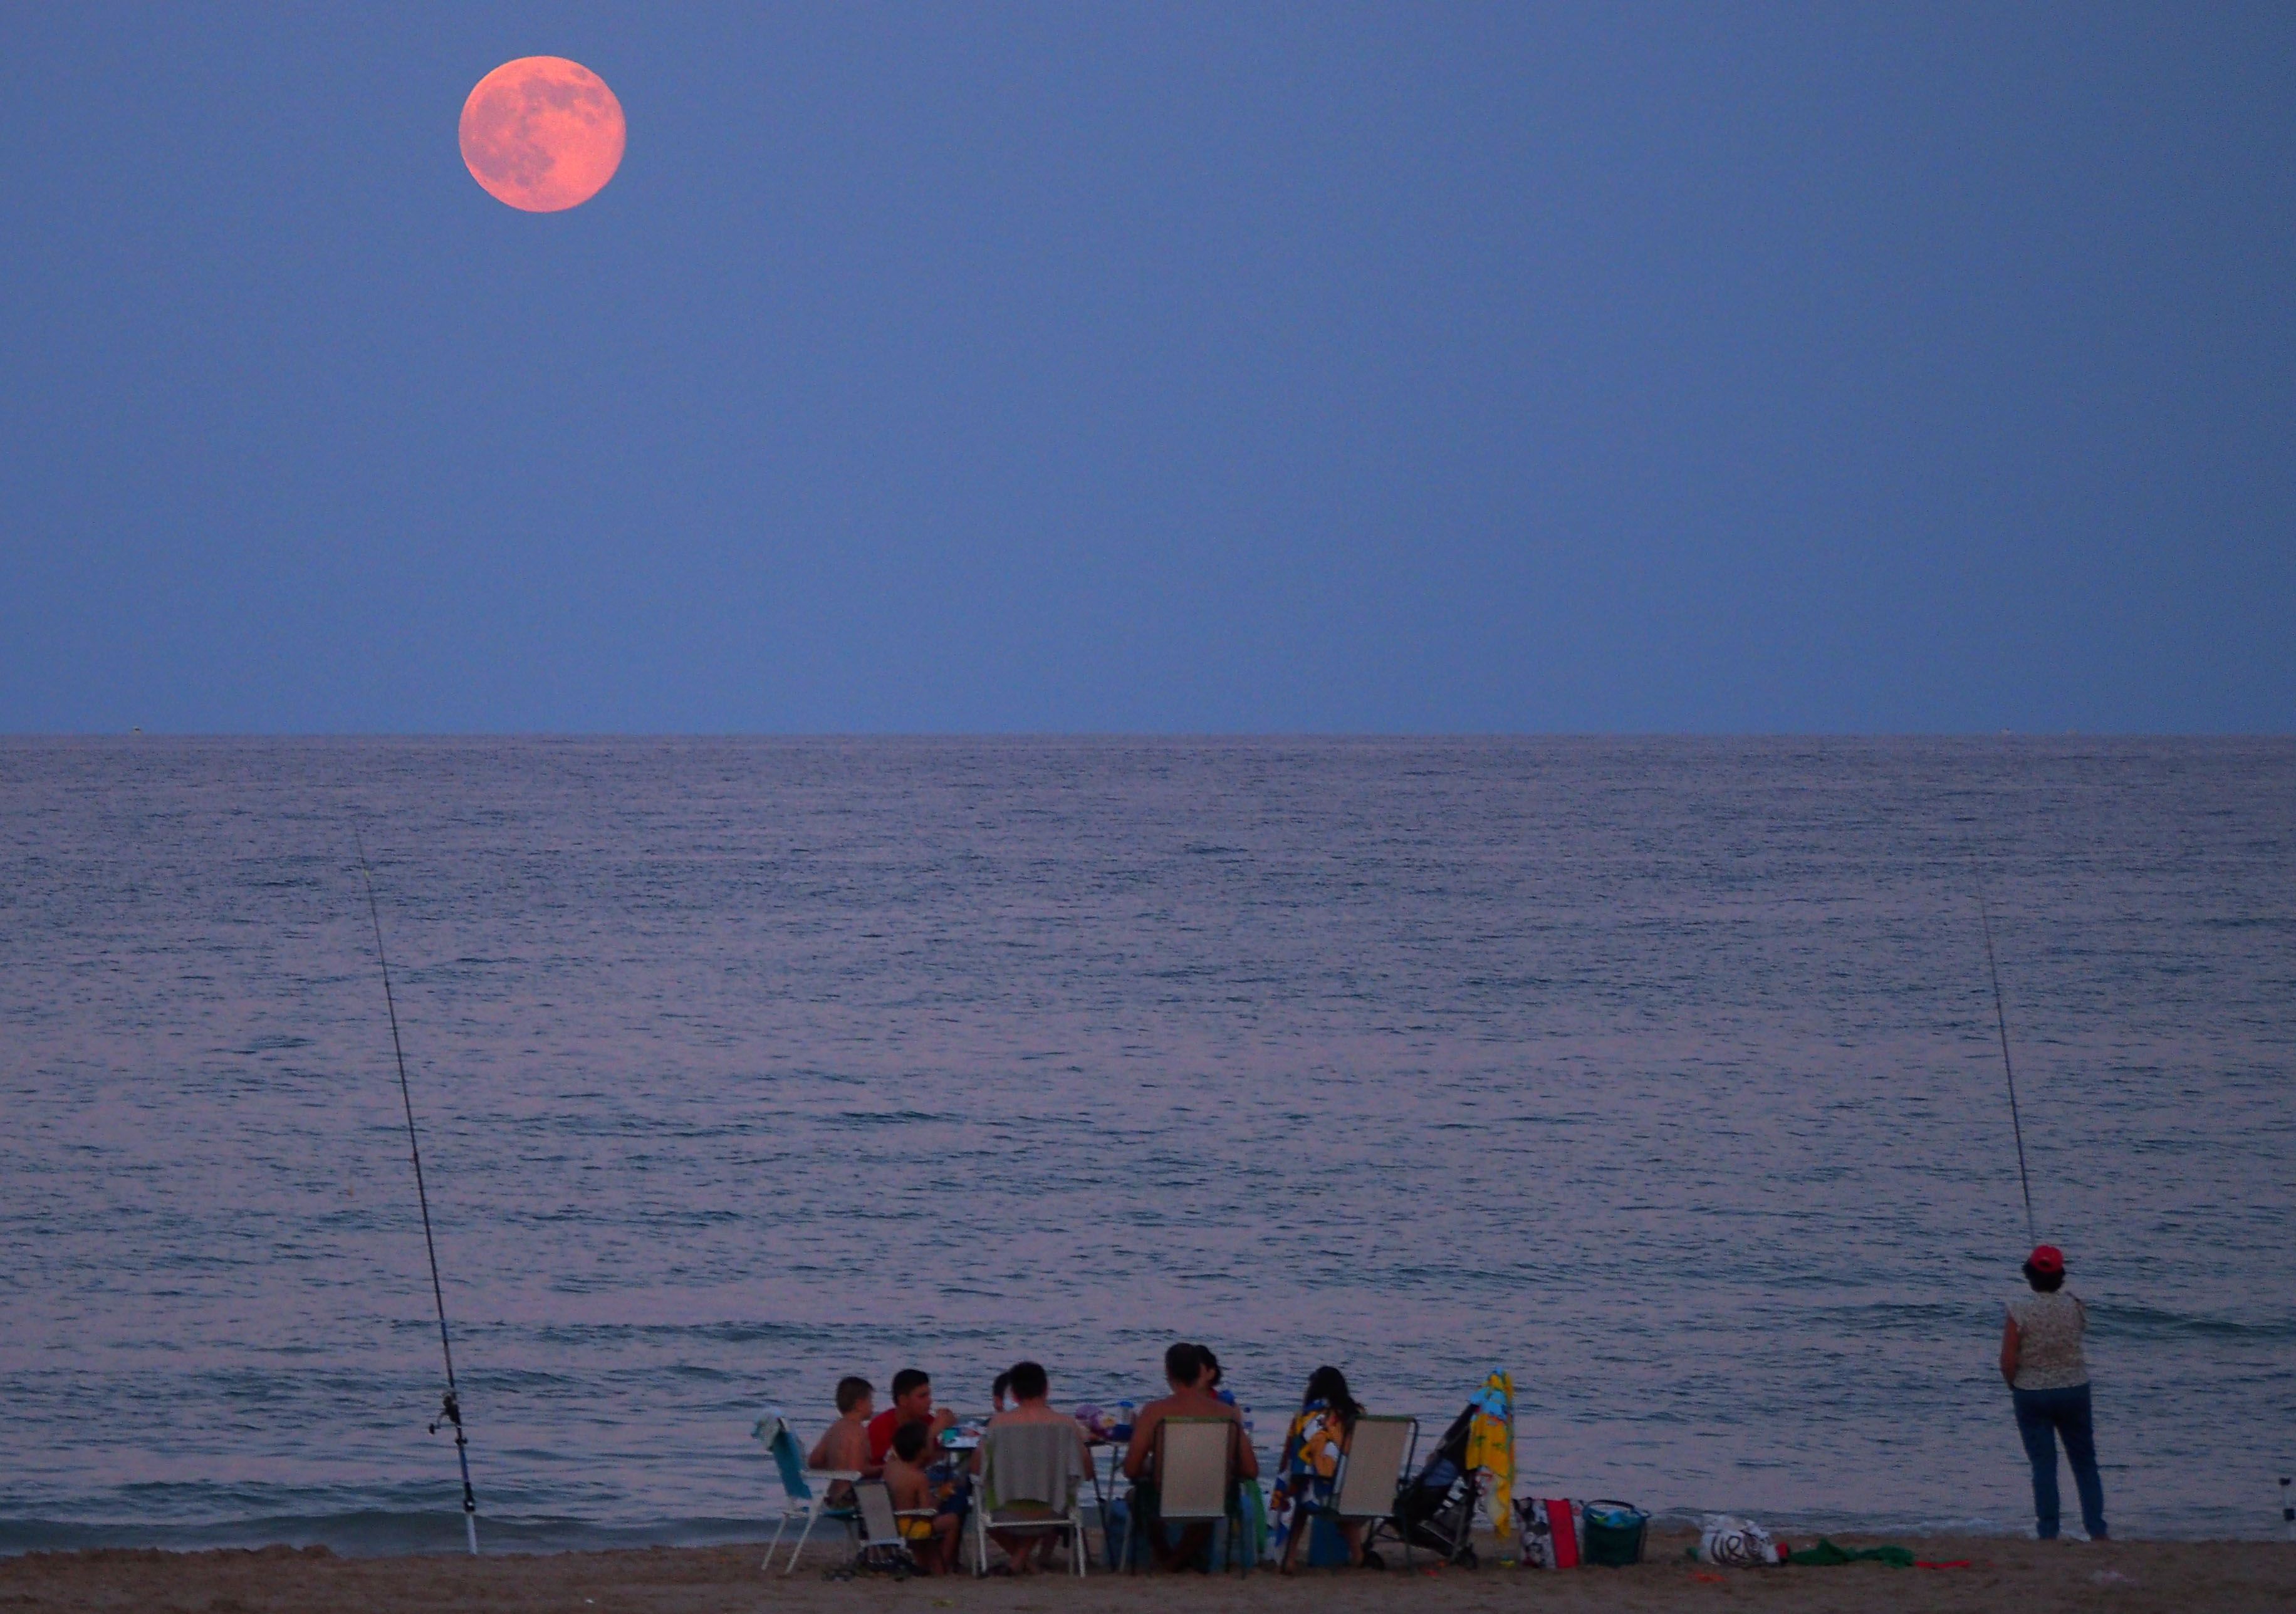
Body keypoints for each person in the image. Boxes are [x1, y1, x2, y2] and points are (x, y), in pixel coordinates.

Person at [2000, 1244, 2109, 1541]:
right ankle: (2097, 1529)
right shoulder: (2076, 1306)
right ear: (2060, 1275)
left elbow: (2008, 1360)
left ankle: (2048, 1531)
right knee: (2085, 1461)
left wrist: (2015, 1385)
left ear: (2030, 1274)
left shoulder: (2019, 1310)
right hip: (2074, 1390)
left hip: (2032, 1393)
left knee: (2044, 1465)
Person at [1122, 1341, 1258, 1571]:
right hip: (1212, 1498)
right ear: (1200, 1372)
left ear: (1168, 1372)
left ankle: (1169, 1559)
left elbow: (1131, 1469)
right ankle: (1178, 1560)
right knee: (1212, 1496)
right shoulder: (1227, 1414)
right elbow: (1251, 1471)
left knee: (1136, 1497)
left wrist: (1151, 1468)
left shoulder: (1154, 1412)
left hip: (1163, 1497)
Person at [974, 1360, 1092, 1573]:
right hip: (1054, 1513)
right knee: (1055, 1492)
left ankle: (1020, 1561)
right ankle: (1026, 1562)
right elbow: (1088, 1473)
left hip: (1005, 1512)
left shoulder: (998, 1425)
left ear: (1014, 1395)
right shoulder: (1066, 1424)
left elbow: (977, 1469)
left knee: (981, 1505)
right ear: (1047, 1390)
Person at [1270, 1365, 1364, 1571]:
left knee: (1298, 1492)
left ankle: (1289, 1557)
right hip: (1362, 1496)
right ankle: (1358, 1555)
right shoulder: (1359, 1415)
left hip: (1324, 1498)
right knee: (1339, 1493)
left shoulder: (1307, 1418)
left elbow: (1293, 1463)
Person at [885, 1421, 961, 1573]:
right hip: (910, 1527)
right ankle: (944, 1566)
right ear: (921, 1451)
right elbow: (927, 1513)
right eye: (929, 1442)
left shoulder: (890, 1468)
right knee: (952, 1520)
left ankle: (925, 1561)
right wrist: (941, 1494)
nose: (933, 1444)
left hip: (890, 1525)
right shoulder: (919, 1478)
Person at [807, 1376, 879, 1502]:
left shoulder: (834, 1428)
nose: (873, 1406)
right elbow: (856, 1472)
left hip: (832, 1496)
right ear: (859, 1405)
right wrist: (884, 1468)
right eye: (871, 1401)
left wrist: (837, 1467)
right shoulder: (859, 1431)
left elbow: (814, 1462)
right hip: (850, 1497)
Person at [868, 1368, 958, 1467]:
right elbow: (903, 1463)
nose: (930, 1401)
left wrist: (949, 1430)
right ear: (903, 1400)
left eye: (929, 1395)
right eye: (922, 1396)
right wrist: (930, 1433)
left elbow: (935, 1458)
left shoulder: (927, 1420)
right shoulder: (880, 1426)